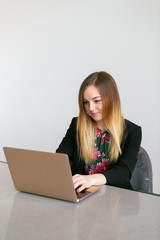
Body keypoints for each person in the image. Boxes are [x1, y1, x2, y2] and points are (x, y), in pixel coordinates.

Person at [56, 71, 142, 193]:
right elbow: (60, 159)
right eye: (86, 102)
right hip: (82, 194)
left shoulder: (132, 131)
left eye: (97, 101)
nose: (90, 108)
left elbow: (124, 173)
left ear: (111, 99)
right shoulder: (77, 125)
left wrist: (91, 179)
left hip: (116, 198)